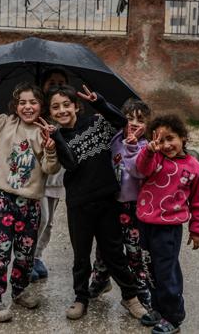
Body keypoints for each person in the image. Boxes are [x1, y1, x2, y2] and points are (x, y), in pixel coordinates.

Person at [46, 84, 148, 322]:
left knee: (114, 253)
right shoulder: (57, 137)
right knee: (81, 256)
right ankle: (80, 298)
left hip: (106, 200)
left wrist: (99, 101)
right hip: (79, 205)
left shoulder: (96, 122)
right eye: (55, 107)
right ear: (50, 112)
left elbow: (121, 122)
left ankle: (130, 297)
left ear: (76, 106)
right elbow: (70, 163)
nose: (62, 110)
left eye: (66, 105)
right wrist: (56, 137)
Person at [0, 72, 61, 323]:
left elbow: (50, 168)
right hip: (4, 200)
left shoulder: (45, 132)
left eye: (33, 102)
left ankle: (20, 290)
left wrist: (51, 149)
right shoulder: (3, 124)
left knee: (25, 252)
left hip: (31, 203)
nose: (27, 107)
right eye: (22, 102)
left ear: (41, 106)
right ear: (15, 105)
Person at [130, 115, 199, 334]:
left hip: (168, 230)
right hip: (145, 225)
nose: (165, 145)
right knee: (150, 271)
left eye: (170, 138)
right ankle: (158, 309)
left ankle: (173, 317)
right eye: (160, 140)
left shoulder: (194, 168)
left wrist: (197, 230)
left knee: (166, 273)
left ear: (183, 137)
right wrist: (149, 151)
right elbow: (141, 168)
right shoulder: (155, 158)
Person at [89, 99, 153, 308]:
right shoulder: (115, 138)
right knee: (104, 246)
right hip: (110, 202)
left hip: (132, 207)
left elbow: (139, 171)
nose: (134, 123)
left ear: (148, 125)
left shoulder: (146, 147)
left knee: (134, 250)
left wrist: (133, 145)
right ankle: (100, 280)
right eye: (129, 118)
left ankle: (140, 288)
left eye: (140, 120)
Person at [31, 67, 70, 282]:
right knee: (40, 219)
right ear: (43, 86)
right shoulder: (36, 114)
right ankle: (27, 258)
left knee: (49, 222)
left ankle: (37, 256)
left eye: (61, 83)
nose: (56, 86)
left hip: (58, 177)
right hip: (39, 177)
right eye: (51, 83)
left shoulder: (66, 113)